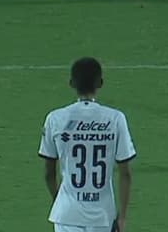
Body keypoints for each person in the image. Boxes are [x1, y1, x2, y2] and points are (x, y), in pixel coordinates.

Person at [39, 57, 137, 232]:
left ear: (71, 83)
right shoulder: (115, 119)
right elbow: (125, 174)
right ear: (100, 83)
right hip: (102, 216)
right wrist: (122, 216)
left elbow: (49, 174)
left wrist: (59, 201)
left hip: (67, 215)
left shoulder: (55, 118)